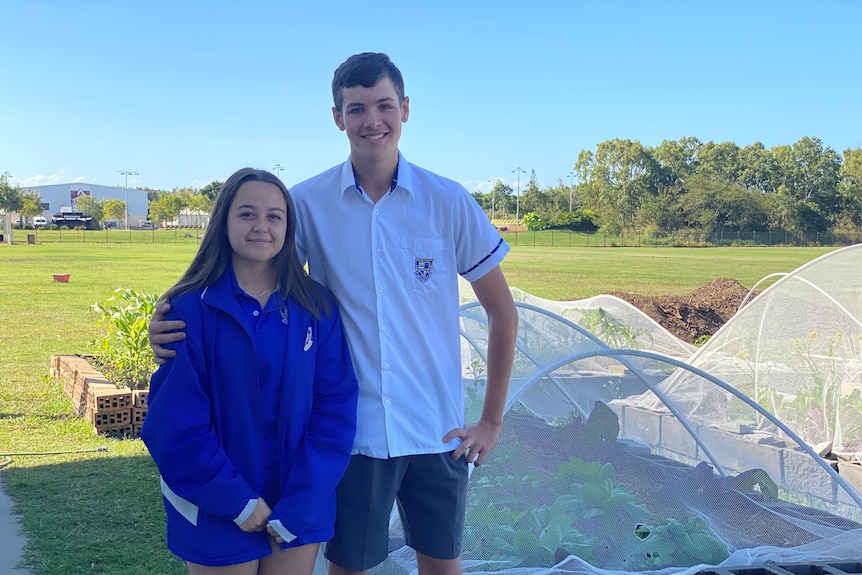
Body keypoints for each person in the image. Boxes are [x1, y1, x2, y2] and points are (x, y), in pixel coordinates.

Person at [150, 53, 518, 575]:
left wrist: (492, 421)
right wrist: (168, 321)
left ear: (406, 109)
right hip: (358, 434)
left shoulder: (448, 200)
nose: (373, 120)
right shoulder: (306, 202)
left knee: (444, 566)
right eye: (357, 108)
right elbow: (254, 275)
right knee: (349, 567)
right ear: (337, 117)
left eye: (385, 105)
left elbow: (502, 312)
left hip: (439, 430)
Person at [141, 167, 358, 575]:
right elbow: (175, 424)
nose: (262, 226)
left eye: (274, 216)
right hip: (216, 507)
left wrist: (302, 500)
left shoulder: (317, 309)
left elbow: (335, 411)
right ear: (223, 222)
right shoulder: (189, 309)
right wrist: (237, 501)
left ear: (288, 227)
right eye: (247, 214)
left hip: (298, 506)